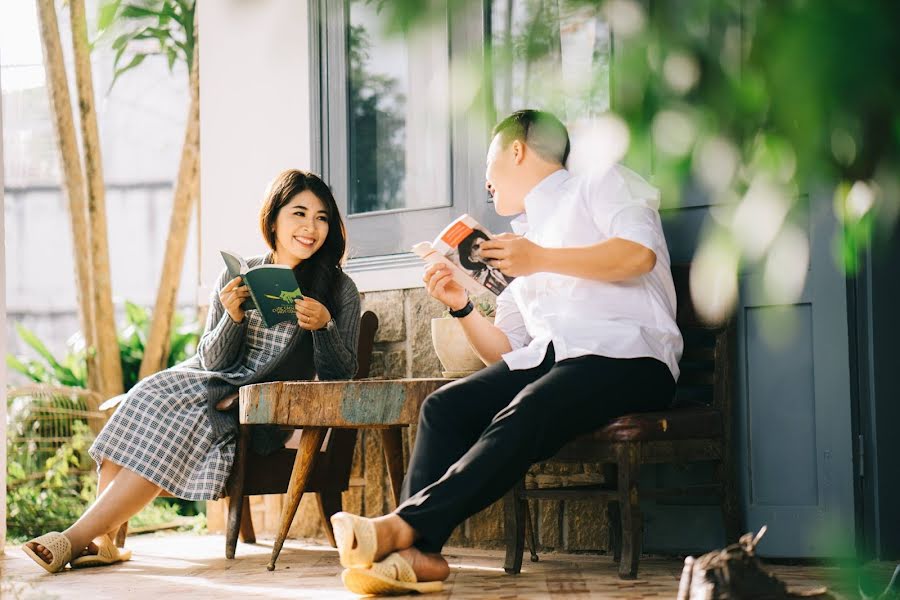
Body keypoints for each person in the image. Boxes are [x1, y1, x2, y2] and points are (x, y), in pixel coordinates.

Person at [331, 109, 684, 596]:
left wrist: (537, 258)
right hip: (553, 360)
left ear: (516, 149)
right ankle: (419, 555)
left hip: (629, 353)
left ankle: (401, 529)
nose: (485, 183)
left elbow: (637, 255)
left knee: (531, 405)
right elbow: (506, 350)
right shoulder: (513, 242)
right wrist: (460, 306)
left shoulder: (600, 183)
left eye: (488, 164)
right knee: (444, 406)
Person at [23, 169, 361, 573]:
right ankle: (102, 540)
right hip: (209, 382)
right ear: (274, 220)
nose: (310, 227)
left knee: (188, 422)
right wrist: (231, 318)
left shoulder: (340, 290)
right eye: (299, 214)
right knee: (142, 397)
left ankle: (73, 539)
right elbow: (212, 361)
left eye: (322, 217)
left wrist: (324, 326)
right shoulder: (238, 275)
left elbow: (342, 374)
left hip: (257, 409)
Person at [457, 229, 510, 294]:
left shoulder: (510, 256)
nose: (483, 247)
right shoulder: (480, 282)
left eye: (484, 243)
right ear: (472, 258)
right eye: (476, 247)